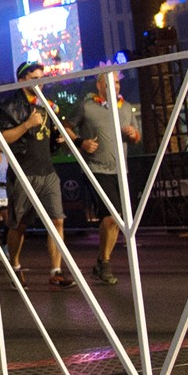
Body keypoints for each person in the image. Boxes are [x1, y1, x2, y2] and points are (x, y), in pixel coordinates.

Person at [0, 61, 72, 287]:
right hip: (23, 172)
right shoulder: (9, 107)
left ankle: (56, 270)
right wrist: (27, 124)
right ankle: (15, 265)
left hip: (47, 171)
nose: (39, 82)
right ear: (22, 81)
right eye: (33, 78)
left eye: (41, 78)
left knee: (57, 219)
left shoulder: (47, 106)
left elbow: (49, 137)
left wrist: (57, 138)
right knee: (18, 225)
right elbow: (2, 139)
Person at [73, 82, 140, 286]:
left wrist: (133, 135)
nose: (115, 86)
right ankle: (105, 264)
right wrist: (81, 142)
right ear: (100, 85)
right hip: (97, 169)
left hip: (120, 171)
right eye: (110, 82)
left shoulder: (126, 107)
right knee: (111, 217)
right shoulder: (87, 106)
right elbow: (67, 127)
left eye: (118, 82)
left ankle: (102, 262)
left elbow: (137, 137)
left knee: (118, 220)